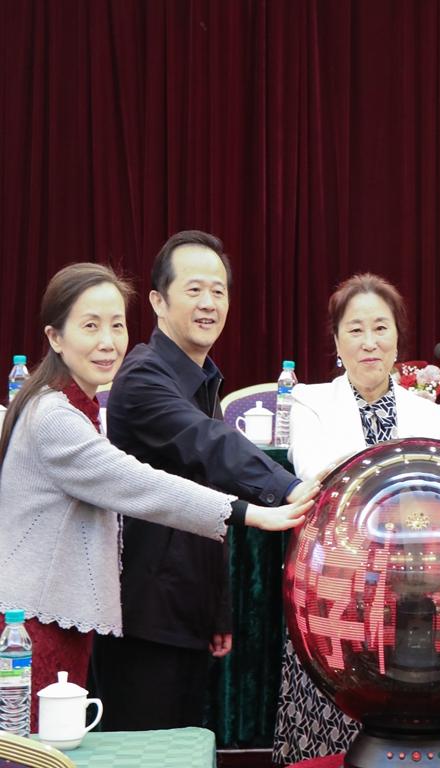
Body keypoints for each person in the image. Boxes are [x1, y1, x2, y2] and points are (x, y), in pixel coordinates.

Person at [0, 263, 314, 731]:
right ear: (55, 337)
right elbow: (141, 484)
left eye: (116, 325)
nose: (108, 342)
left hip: (57, 619)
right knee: (33, 754)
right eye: (90, 326)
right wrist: (248, 513)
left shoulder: (73, 407)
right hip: (31, 631)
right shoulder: (54, 417)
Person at [91, 231, 320, 731]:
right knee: (143, 753)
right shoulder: (143, 376)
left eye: (218, 291)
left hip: (186, 610)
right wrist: (289, 487)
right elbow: (209, 444)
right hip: (142, 616)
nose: (209, 303)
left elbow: (208, 501)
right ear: (158, 301)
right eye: (194, 289)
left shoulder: (201, 378)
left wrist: (216, 607)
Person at [273, 273, 440, 764]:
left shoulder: (430, 414)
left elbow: (436, 503)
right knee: (325, 735)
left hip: (409, 596)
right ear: (336, 342)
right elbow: (318, 476)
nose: (369, 342)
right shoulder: (309, 401)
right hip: (332, 591)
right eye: (355, 330)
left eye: (380, 327)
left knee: (397, 730)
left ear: (397, 338)